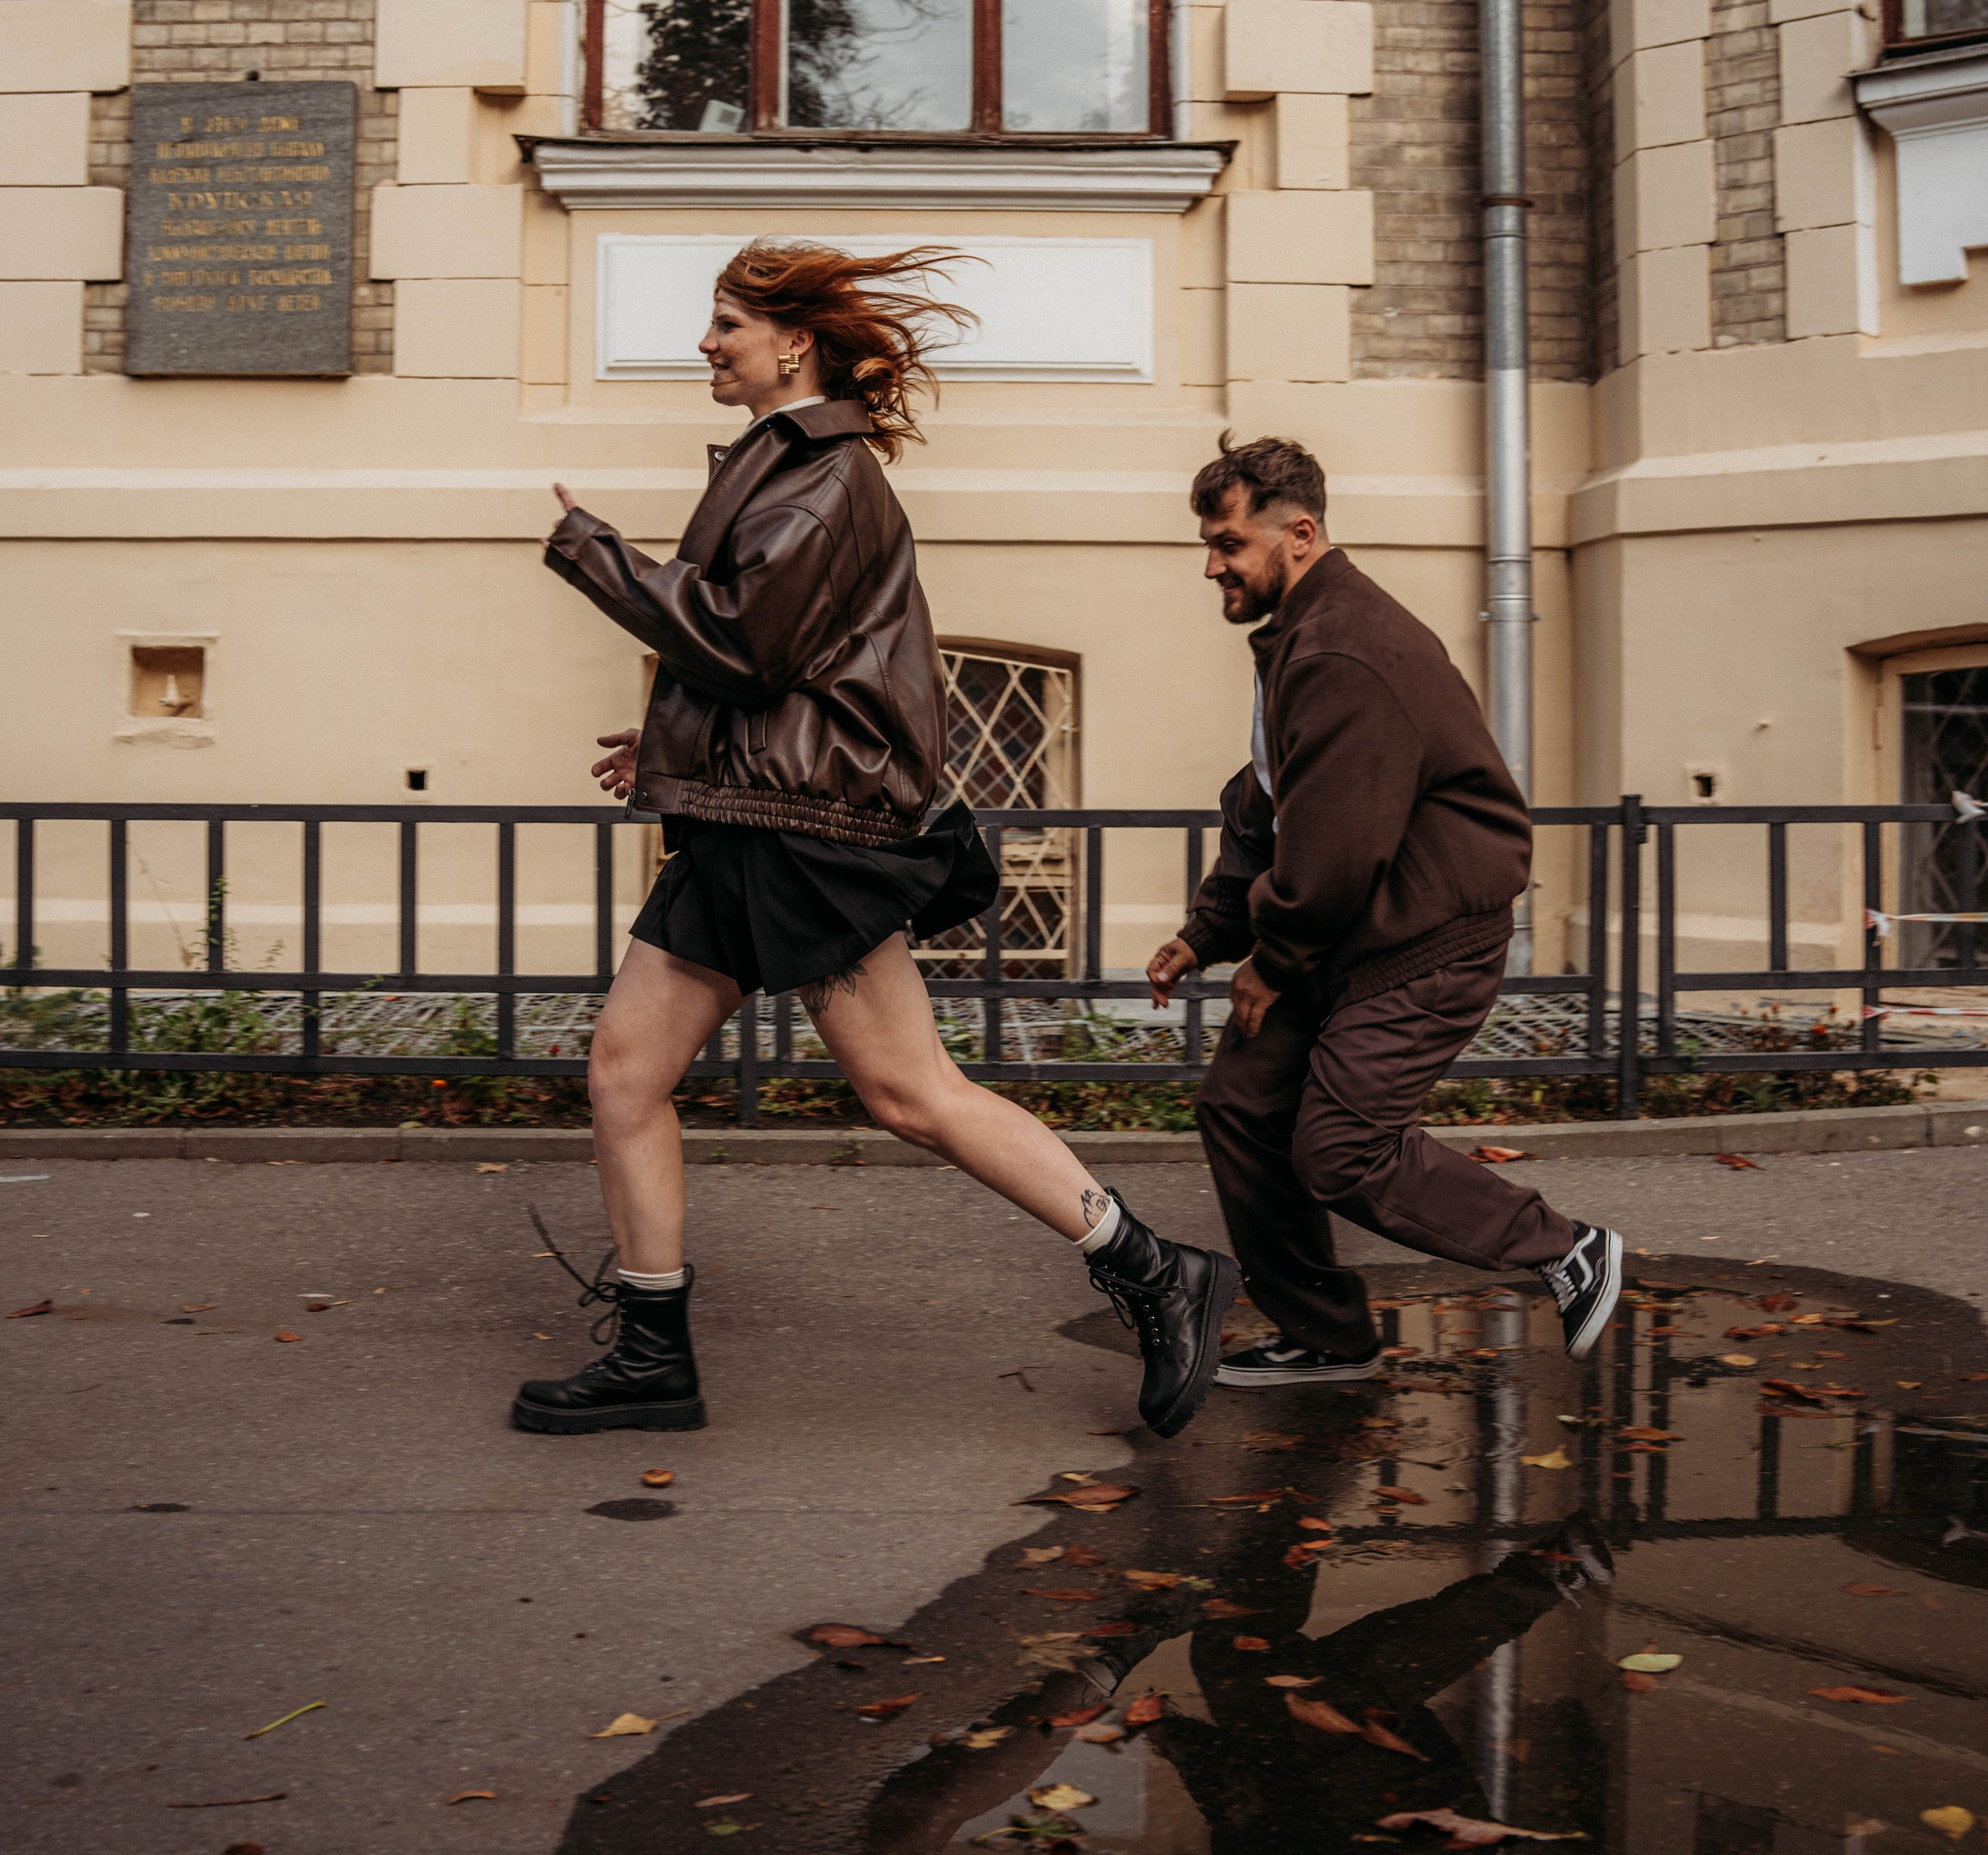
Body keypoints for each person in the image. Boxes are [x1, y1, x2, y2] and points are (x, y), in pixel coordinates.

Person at [514, 239, 1237, 1443]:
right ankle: (652, 1355)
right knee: (626, 1072)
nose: (706, 343)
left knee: (910, 1094)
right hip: (755, 821)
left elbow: (744, 643)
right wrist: (678, 749)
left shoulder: (824, 476)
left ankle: (1156, 1269)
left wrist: (595, 552)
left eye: (727, 324)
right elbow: (783, 668)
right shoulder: (782, 464)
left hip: (803, 839)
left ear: (792, 343)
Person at [1146, 432, 1622, 1385]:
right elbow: (1267, 797)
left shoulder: (1343, 648)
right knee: (1241, 1108)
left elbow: (1334, 846)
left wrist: (1271, 962)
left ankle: (1565, 1249)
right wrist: (1207, 932)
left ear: (1299, 534)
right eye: (1208, 545)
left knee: (1342, 1151)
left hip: (1423, 938)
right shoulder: (1301, 637)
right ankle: (1326, 1334)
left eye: (1229, 544)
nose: (1212, 567)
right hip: (1350, 925)